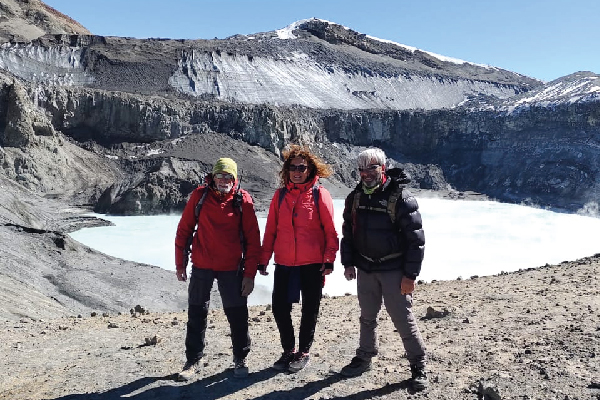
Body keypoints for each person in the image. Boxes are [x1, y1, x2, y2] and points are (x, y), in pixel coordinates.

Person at [339, 148, 429, 391]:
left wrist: (410, 276)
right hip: (366, 268)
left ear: (383, 168)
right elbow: (348, 232)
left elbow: (416, 241)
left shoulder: (401, 198)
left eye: (372, 168)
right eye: (362, 169)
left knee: (402, 318)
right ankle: (365, 356)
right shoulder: (356, 196)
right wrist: (348, 262)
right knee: (367, 317)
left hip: (394, 270)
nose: (366, 174)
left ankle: (418, 365)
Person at [174, 157, 261, 381]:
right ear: (212, 177)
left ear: (235, 178)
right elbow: (184, 230)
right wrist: (180, 264)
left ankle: (240, 358)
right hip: (202, 265)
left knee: (237, 315)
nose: (224, 180)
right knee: (196, 313)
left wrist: (249, 274)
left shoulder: (243, 201)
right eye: (219, 175)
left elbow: (253, 241)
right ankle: (193, 359)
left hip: (232, 268)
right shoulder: (199, 196)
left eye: (228, 176)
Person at [258, 145, 339, 373]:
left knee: (309, 309)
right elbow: (271, 229)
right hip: (284, 262)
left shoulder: (319, 194)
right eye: (292, 167)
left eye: (301, 167)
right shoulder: (280, 195)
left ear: (310, 169)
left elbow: (330, 231)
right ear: (287, 170)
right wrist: (264, 259)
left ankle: (303, 351)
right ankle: (288, 350)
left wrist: (329, 258)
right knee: (279, 308)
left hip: (312, 263)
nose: (297, 171)